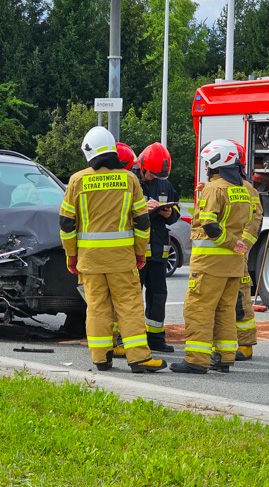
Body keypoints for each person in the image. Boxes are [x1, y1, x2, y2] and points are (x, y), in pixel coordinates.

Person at [59, 126, 166, 373]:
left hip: (89, 258)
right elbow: (141, 221)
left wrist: (71, 254)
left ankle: (101, 358)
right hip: (122, 258)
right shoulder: (129, 179)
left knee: (97, 307)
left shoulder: (77, 180)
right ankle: (139, 358)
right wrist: (140, 251)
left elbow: (66, 223)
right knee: (128, 306)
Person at [170, 140, 252, 374]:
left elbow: (210, 225)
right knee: (225, 310)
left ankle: (196, 360)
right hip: (232, 265)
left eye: (208, 162)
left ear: (217, 161)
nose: (206, 166)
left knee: (199, 309)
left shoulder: (214, 189)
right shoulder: (242, 189)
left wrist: (229, 242)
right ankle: (224, 356)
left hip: (210, 263)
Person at [133, 143, 181, 352]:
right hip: (136, 253)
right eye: (151, 174)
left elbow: (178, 208)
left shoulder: (164, 184)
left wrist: (170, 214)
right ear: (142, 167)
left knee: (158, 295)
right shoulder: (130, 180)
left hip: (158, 253)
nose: (153, 178)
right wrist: (145, 208)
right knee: (132, 297)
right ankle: (128, 339)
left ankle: (156, 339)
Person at [229, 141, 262, 361]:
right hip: (224, 253)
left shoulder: (246, 189)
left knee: (241, 301)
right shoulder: (225, 186)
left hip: (237, 254)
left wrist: (243, 246)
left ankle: (246, 345)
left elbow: (255, 220)